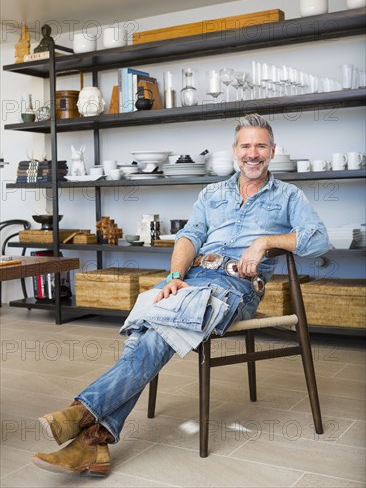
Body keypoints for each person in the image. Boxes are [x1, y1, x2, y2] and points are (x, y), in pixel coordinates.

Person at [33, 114, 329, 476]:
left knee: (153, 334)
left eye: (261, 146)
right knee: (148, 329)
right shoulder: (212, 194)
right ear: (235, 151)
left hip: (235, 288)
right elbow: (189, 237)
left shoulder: (287, 196)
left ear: (273, 150)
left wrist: (266, 242)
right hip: (193, 277)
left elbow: (318, 239)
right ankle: (94, 441)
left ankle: (81, 412)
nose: (253, 154)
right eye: (246, 146)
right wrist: (174, 275)